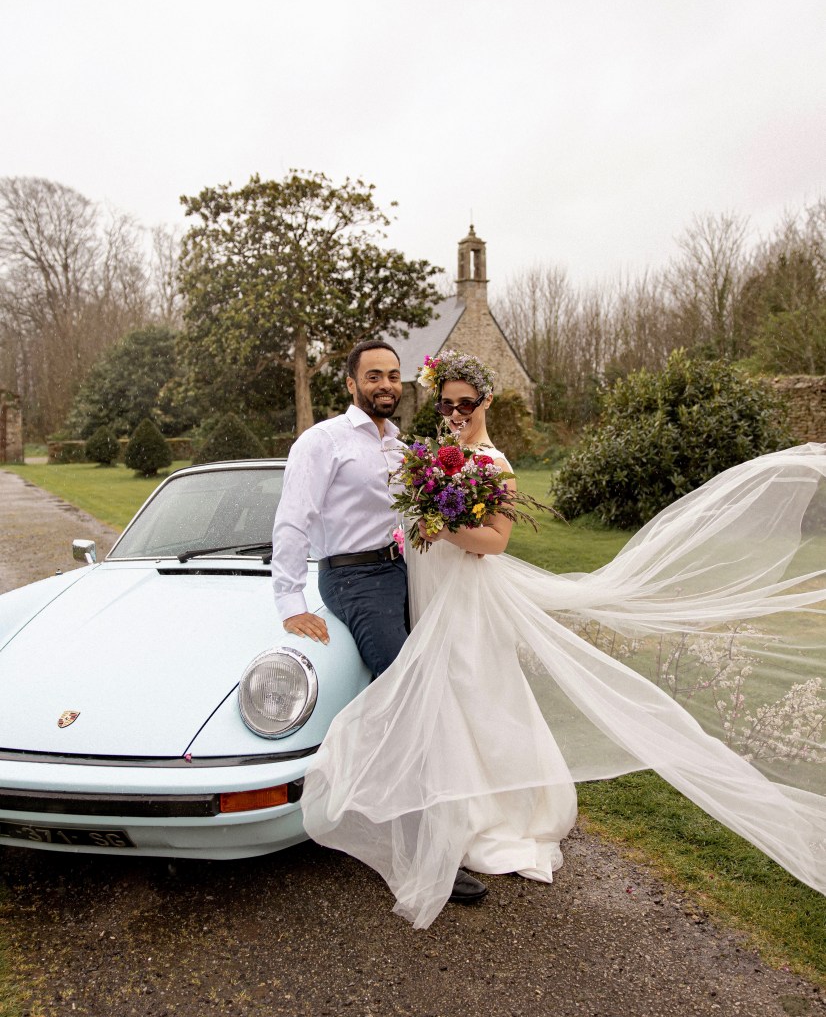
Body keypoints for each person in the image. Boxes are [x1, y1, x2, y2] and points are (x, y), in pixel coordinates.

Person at [301, 349, 826, 930]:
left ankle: (491, 816)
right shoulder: (436, 457)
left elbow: (495, 542)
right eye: (446, 403)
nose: (454, 413)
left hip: (466, 598)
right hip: (428, 589)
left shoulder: (493, 464)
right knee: (445, 699)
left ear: (485, 402)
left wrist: (440, 524)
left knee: (475, 696)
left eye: (465, 404)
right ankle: (451, 808)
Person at [271, 339, 488, 905]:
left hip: (403, 575)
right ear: (350, 384)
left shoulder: (401, 446)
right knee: (407, 701)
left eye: (393, 375)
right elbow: (294, 520)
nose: (386, 384)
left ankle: (438, 818)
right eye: (373, 375)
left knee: (439, 692)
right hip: (354, 580)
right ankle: (423, 854)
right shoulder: (322, 442)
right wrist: (290, 601)